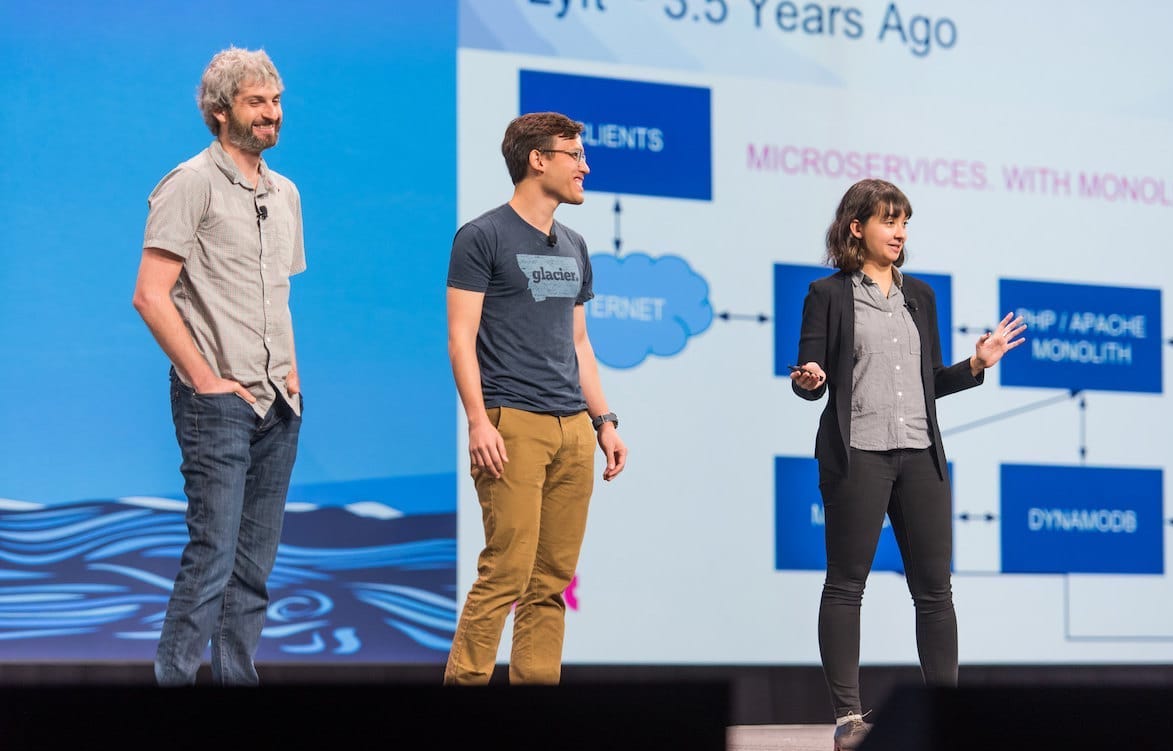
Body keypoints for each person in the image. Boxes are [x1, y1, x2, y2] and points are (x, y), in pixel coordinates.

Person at [790, 179, 1026, 750]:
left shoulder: (920, 295)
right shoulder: (827, 293)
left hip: (920, 453)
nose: (899, 232)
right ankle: (849, 716)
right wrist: (808, 379)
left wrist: (976, 363)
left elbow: (930, 384)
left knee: (934, 589)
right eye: (888, 221)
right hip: (858, 454)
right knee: (847, 584)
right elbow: (810, 376)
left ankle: (948, 714)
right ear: (856, 228)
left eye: (904, 223)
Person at [132, 46, 305, 686]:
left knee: (254, 568)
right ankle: (173, 689)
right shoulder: (191, 183)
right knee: (212, 558)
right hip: (218, 404)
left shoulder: (285, 193)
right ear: (219, 110)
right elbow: (151, 294)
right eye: (256, 102)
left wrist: (292, 375)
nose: (271, 114)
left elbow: (277, 295)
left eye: (276, 101)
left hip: (277, 404)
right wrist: (205, 380)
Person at [444, 111, 628, 685]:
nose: (585, 167)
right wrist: (479, 422)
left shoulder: (574, 243)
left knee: (551, 583)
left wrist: (604, 422)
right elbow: (460, 337)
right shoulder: (482, 236)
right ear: (537, 160)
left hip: (573, 429)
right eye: (574, 155)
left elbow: (580, 344)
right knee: (506, 572)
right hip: (511, 424)